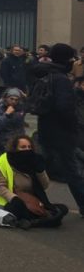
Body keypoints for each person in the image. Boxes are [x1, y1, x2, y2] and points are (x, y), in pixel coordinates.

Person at [31, 43, 84, 214]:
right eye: (72, 58)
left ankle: (28, 196)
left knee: (40, 166)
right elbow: (65, 108)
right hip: (62, 132)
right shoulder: (61, 79)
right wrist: (73, 126)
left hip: (46, 128)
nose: (74, 61)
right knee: (71, 170)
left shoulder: (46, 74)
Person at [0, 135, 69, 228]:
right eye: (23, 147)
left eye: (29, 147)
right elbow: (0, 186)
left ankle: (33, 221)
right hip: (13, 200)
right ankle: (39, 221)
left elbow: (44, 186)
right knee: (16, 208)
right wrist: (13, 198)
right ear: (15, 149)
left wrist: (40, 171)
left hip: (33, 200)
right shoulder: (4, 162)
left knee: (63, 209)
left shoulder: (34, 160)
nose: (27, 150)